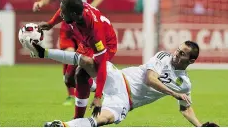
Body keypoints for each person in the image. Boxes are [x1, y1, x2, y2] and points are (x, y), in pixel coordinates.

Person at [23, 39, 218, 127]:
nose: (176, 54)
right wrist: (174, 94)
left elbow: (185, 108)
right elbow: (150, 79)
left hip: (126, 101)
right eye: (178, 50)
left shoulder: (184, 83)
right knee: (87, 61)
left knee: (103, 119)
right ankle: (44, 52)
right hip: (119, 78)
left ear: (191, 61)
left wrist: (200, 126)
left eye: (182, 54)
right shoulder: (163, 57)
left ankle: (62, 126)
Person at [32, 0, 117, 118]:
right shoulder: (75, 12)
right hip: (86, 43)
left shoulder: (94, 31)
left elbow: (102, 62)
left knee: (80, 75)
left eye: (63, 12)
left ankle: (78, 118)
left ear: (73, 14)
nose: (61, 14)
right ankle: (99, 88)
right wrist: (50, 24)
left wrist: (97, 97)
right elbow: (63, 9)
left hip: (106, 45)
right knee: (69, 79)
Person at [32, 0, 106, 107]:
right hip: (67, 24)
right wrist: (41, 3)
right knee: (69, 56)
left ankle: (96, 91)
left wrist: (89, 8)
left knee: (82, 62)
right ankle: (71, 94)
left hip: (84, 24)